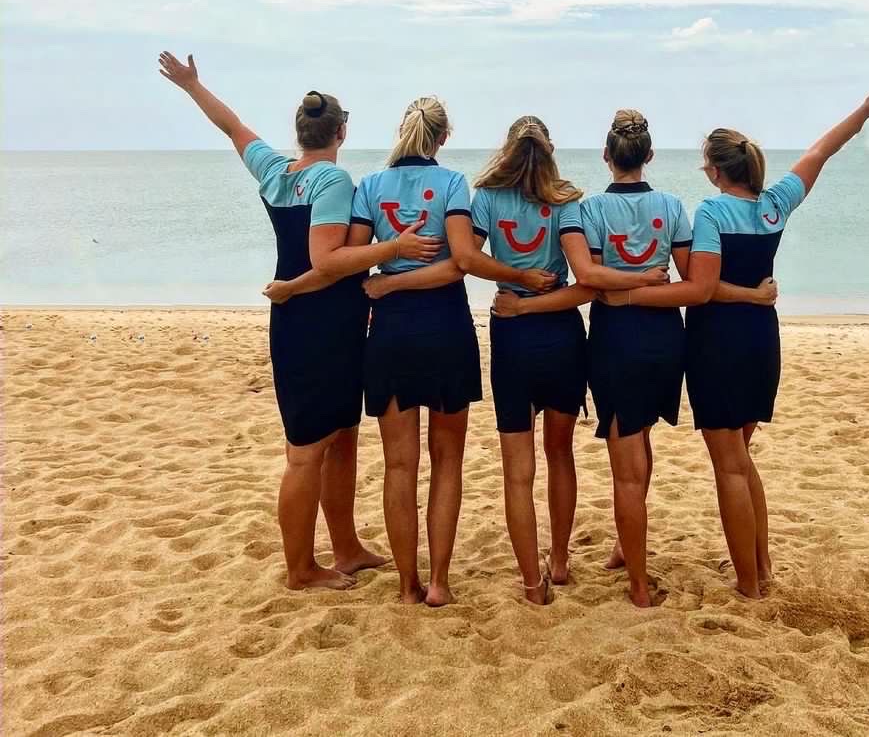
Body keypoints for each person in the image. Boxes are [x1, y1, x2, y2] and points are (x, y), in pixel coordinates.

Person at [157, 52, 440, 591]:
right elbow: (326, 261)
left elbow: (232, 126)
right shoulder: (331, 179)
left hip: (315, 318)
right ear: (341, 131)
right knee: (307, 449)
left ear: (300, 133)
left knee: (343, 437)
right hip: (318, 320)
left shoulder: (274, 169)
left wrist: (194, 85)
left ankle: (348, 547)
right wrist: (395, 246)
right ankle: (301, 568)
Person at [619, 86, 869, 599]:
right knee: (742, 458)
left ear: (714, 170)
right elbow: (821, 151)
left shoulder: (711, 213)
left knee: (729, 464)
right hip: (761, 342)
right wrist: (863, 112)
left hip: (718, 343)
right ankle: (762, 565)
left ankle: (750, 584)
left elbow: (702, 289)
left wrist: (636, 293)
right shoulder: (775, 205)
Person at [271, 97, 554, 606]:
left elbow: (343, 262)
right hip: (445, 328)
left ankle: (406, 585)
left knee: (399, 466)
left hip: (391, 336)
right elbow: (461, 264)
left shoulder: (370, 188)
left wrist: (332, 284)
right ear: (442, 138)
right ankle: (439, 582)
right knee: (448, 462)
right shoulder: (452, 185)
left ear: (401, 132)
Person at [470, 116, 668, 604]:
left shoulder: (488, 198)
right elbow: (586, 284)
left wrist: (514, 285)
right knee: (560, 454)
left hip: (512, 331)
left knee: (518, 469)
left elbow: (465, 259)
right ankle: (559, 560)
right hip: (561, 334)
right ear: (550, 148)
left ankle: (533, 584)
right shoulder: (566, 201)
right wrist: (542, 287)